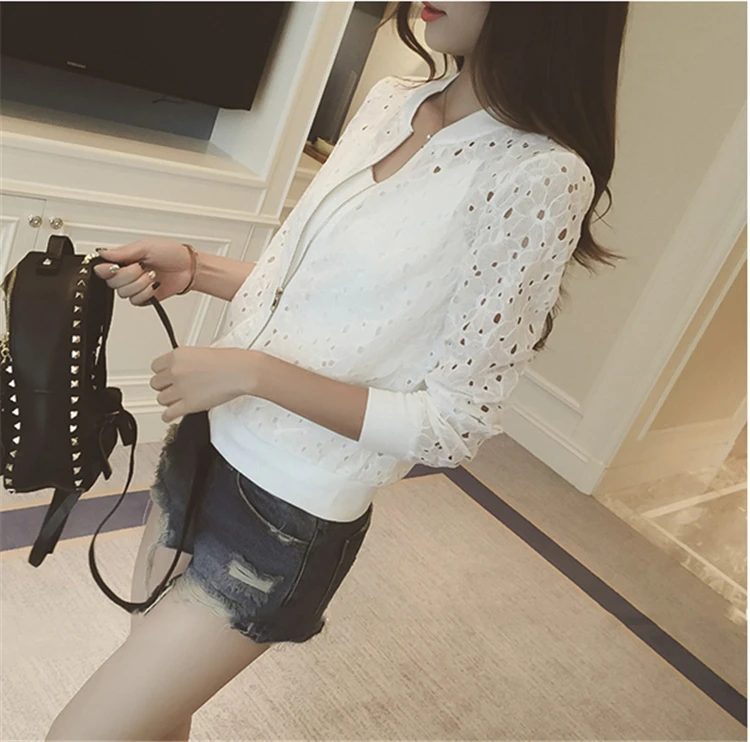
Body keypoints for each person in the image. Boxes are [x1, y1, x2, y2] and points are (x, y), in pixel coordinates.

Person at [45, 2, 630, 740]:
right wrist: (197, 268)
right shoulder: (392, 102)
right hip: (204, 448)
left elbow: (454, 423)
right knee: (154, 716)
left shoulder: (540, 175)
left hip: (285, 517)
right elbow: (321, 297)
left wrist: (252, 372)